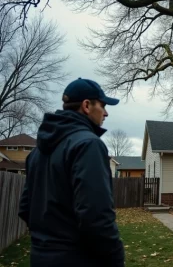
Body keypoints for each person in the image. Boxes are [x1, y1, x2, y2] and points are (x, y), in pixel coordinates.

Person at [19, 78, 125, 267]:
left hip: (40, 257)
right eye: (102, 105)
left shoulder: (37, 152)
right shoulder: (88, 145)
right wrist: (115, 258)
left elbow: (26, 208)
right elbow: (96, 215)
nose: (106, 112)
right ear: (86, 105)